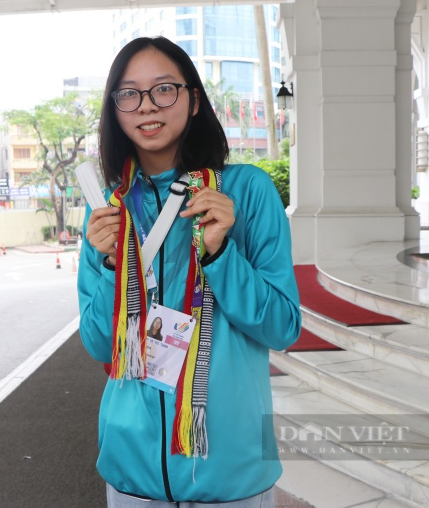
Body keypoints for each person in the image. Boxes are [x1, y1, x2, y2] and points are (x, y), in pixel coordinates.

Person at [77, 36, 301, 507]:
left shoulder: (246, 192)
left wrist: (221, 254)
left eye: (164, 89)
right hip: (130, 468)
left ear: (194, 99)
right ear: (115, 109)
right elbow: (100, 345)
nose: (146, 106)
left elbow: (282, 327)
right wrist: (111, 267)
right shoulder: (109, 212)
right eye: (128, 93)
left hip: (230, 465)